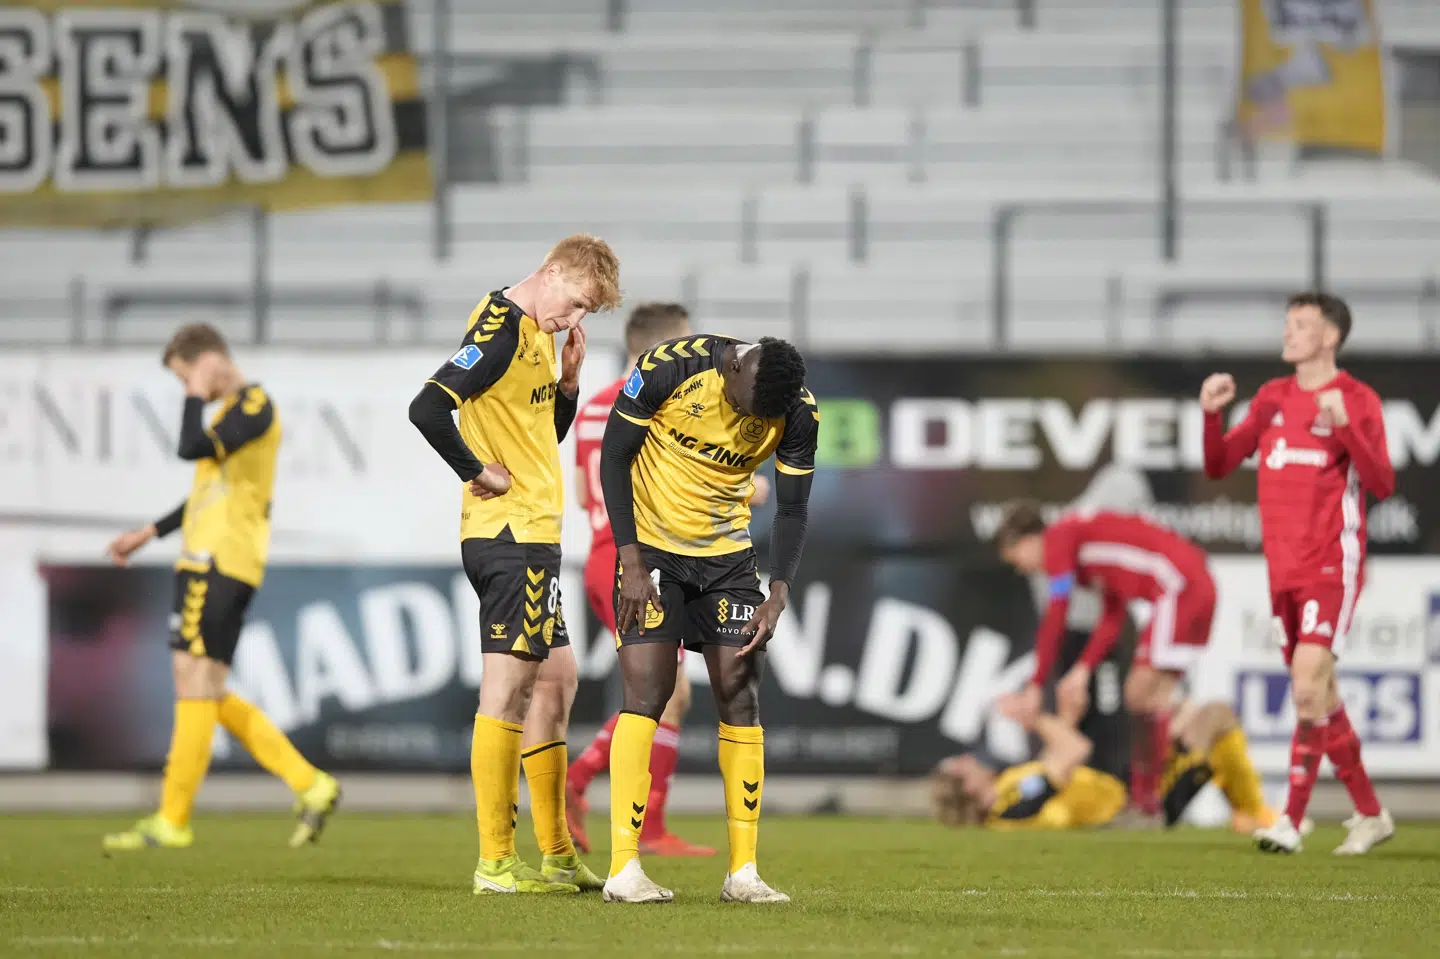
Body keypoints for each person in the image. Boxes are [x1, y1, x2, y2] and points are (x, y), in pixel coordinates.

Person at [407, 234, 621, 894]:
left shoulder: (536, 334)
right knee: (507, 693)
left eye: (585, 312)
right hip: (509, 535)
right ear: (552, 271)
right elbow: (427, 407)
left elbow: (539, 437)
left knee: (556, 679)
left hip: (532, 537)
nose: (572, 319)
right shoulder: (501, 329)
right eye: (574, 302)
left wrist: (567, 384)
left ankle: (556, 852)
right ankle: (496, 861)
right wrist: (476, 471)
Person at [102, 324, 340, 852]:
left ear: (208, 361)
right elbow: (206, 492)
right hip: (213, 559)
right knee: (204, 687)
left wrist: (193, 392)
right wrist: (148, 533)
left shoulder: (254, 406)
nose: (195, 390)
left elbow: (188, 446)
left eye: (189, 376)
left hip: (220, 562)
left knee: (194, 681)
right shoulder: (235, 417)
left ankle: (173, 819)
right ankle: (309, 783)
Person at [597, 334, 817, 904]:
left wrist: (779, 590)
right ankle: (624, 868)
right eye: (747, 405)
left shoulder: (796, 410)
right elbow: (614, 457)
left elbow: (792, 508)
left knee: (740, 694)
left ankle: (742, 873)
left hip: (728, 561)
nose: (752, 421)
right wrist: (630, 558)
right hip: (652, 550)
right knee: (647, 693)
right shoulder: (670, 368)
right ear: (734, 365)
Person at [566, 303, 771, 857]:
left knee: (665, 692)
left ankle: (631, 815)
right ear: (670, 344)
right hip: (644, 555)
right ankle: (593, 787)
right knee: (666, 691)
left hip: (602, 548)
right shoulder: (667, 403)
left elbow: (587, 494)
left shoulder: (596, 407)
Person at [1201, 291, 1395, 855]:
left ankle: (1290, 820)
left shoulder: (1357, 400)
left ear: (1329, 337)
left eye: (1301, 324)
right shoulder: (1272, 398)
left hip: (1332, 564)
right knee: (1320, 695)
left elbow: (1381, 484)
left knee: (1307, 682)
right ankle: (1370, 813)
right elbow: (1218, 464)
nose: (1288, 334)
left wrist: (1346, 430)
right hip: (1281, 568)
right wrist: (1212, 415)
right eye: (1287, 323)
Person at [993, 502, 1273, 829]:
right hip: (1192, 584)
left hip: (1177, 587)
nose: (1023, 569)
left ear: (1026, 540)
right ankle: (1195, 747)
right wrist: (1082, 670)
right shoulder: (1081, 546)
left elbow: (1056, 614)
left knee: (1138, 695)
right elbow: (1113, 614)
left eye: (1017, 559)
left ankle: (1150, 798)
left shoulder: (1058, 540)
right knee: (1151, 699)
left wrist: (1036, 685)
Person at [932, 702, 1265, 833]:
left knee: (1196, 719)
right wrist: (1034, 718)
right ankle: (1253, 812)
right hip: (1139, 814)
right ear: (969, 788)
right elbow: (1075, 751)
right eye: (962, 766)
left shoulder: (1009, 790)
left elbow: (1057, 763)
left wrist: (1065, 716)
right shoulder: (1013, 803)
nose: (970, 759)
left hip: (1129, 792)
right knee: (1216, 719)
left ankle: (1247, 812)